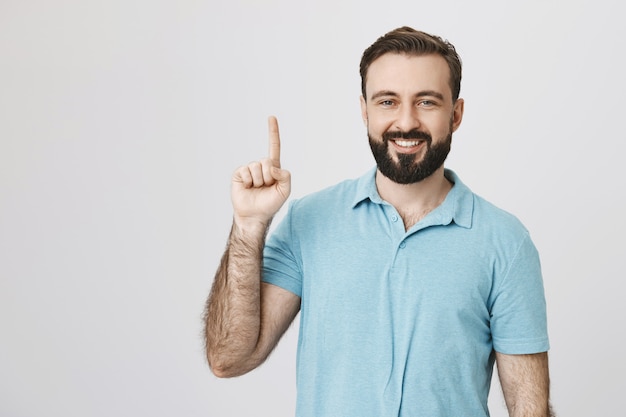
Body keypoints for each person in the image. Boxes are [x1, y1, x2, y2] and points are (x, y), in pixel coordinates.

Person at [204, 26, 554, 417]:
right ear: (364, 110)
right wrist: (249, 226)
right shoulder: (308, 221)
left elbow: (530, 411)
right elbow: (228, 359)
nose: (405, 122)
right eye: (387, 101)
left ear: (455, 114)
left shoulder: (506, 243)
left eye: (427, 102)